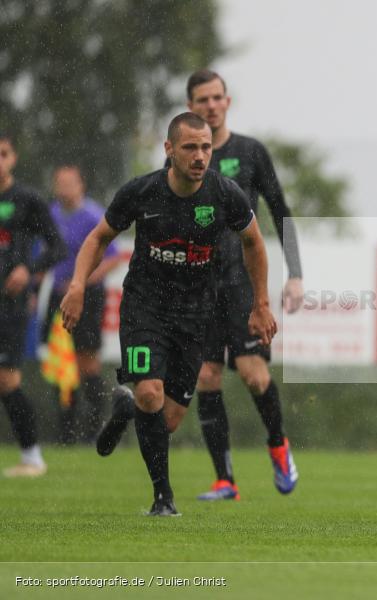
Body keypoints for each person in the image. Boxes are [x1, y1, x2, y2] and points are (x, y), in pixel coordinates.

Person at [60, 113, 276, 516]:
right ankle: (164, 498)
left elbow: (254, 244)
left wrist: (260, 303)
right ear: (169, 149)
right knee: (150, 393)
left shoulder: (224, 194)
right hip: (145, 308)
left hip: (196, 315)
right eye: (190, 147)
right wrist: (76, 285)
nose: (199, 156)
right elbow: (98, 237)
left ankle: (126, 409)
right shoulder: (142, 192)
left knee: (169, 419)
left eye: (206, 147)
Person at [184, 69, 303, 501]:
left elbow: (280, 208)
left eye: (217, 98)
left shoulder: (249, 152)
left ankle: (278, 445)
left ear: (227, 102)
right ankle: (225, 480)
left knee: (254, 375)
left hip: (241, 282)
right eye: (202, 99)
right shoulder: (182, 155)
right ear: (191, 106)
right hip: (199, 286)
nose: (211, 105)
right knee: (207, 376)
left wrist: (295, 273)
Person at [0, 133, 67, 477]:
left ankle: (32, 456)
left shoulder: (27, 200)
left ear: (13, 158)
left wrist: (29, 270)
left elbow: (57, 247)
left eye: (3, 154)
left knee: (7, 381)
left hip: (9, 306)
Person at [45, 165, 124, 444]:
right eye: (60, 183)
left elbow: (114, 257)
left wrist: (82, 281)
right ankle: (66, 433)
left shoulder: (93, 215)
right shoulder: (51, 214)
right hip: (59, 295)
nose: (65, 188)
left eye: (70, 183)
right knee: (61, 360)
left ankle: (95, 430)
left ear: (81, 185)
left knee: (87, 361)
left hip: (87, 296)